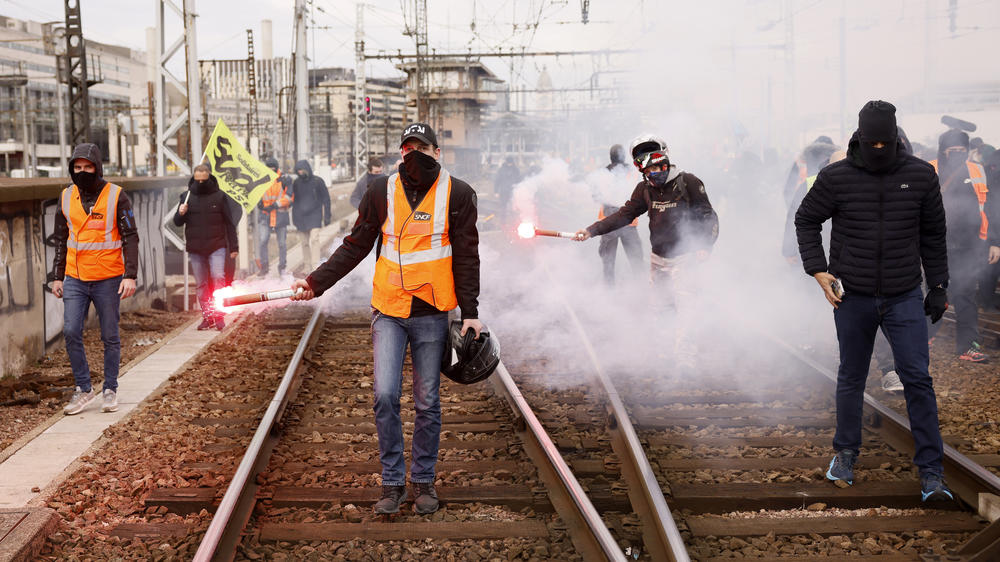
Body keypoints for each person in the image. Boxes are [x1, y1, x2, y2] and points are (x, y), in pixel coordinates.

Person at [289, 123, 482, 516]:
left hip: (431, 311)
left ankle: (423, 482)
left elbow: (466, 256)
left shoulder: (458, 193)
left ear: (437, 152)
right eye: (408, 148)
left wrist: (471, 313)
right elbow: (356, 244)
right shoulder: (381, 190)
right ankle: (393, 483)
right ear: (400, 154)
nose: (414, 155)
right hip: (389, 310)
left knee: (428, 402)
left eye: (422, 148)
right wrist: (316, 282)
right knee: (385, 395)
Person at [795, 100, 953, 501]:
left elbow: (934, 233)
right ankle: (845, 454)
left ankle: (932, 474)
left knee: (917, 379)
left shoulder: (921, 176)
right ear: (860, 138)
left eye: (885, 142)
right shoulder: (835, 177)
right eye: (872, 143)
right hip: (853, 296)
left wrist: (938, 286)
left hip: (904, 296)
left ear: (895, 137)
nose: (878, 150)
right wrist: (817, 271)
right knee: (851, 375)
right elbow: (806, 219)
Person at [574, 135, 718, 369]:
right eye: (648, 171)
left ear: (666, 162)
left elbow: (708, 216)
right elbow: (624, 215)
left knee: (687, 308)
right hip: (658, 259)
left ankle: (685, 360)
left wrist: (705, 245)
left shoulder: (689, 182)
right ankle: (663, 355)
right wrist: (591, 230)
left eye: (657, 168)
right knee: (660, 307)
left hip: (686, 257)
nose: (654, 174)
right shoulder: (644, 189)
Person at [51, 143, 139, 415]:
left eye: (88, 167)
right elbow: (60, 240)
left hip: (108, 278)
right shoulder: (66, 197)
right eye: (77, 168)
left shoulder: (116, 196)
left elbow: (130, 236)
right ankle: (84, 389)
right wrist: (57, 277)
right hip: (75, 278)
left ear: (98, 167)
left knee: (110, 335)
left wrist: (131, 275)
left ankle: (110, 388)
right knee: (70, 331)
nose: (82, 172)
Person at [926, 128, 1000, 362]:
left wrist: (993, 242)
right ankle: (924, 337)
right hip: (937, 244)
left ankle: (967, 347)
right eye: (952, 151)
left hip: (970, 244)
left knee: (966, 295)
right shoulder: (929, 169)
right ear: (943, 150)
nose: (957, 154)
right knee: (935, 293)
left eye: (961, 150)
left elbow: (986, 207)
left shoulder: (977, 170)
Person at [174, 164, 240, 330]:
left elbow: (229, 223)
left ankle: (218, 315)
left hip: (217, 245)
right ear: (194, 178)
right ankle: (207, 316)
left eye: (204, 179)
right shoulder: (186, 197)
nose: (201, 182)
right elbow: (177, 222)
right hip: (196, 248)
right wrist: (180, 212)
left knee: (218, 277)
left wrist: (234, 247)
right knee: (202, 284)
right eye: (198, 179)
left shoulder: (219, 197)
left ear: (209, 177)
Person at [596, 144, 644, 286]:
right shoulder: (632, 172)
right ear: (624, 156)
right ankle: (641, 288)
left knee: (608, 261)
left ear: (610, 157)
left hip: (608, 223)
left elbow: (596, 195)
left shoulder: (602, 173)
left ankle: (609, 290)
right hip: (628, 222)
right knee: (636, 259)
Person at [291, 160, 331, 270]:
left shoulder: (318, 181)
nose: (300, 172)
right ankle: (307, 266)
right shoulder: (297, 183)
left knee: (314, 239)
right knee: (304, 242)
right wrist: (294, 218)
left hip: (315, 215)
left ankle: (315, 265)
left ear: (307, 169)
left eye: (302, 170)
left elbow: (326, 199)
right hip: (301, 217)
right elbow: (295, 201)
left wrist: (327, 216)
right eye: (298, 170)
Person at [257, 157, 294, 276]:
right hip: (265, 215)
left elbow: (289, 198)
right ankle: (264, 267)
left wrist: (275, 205)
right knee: (263, 241)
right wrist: (259, 202)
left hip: (280, 215)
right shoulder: (261, 178)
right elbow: (255, 193)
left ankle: (282, 267)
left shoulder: (285, 179)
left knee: (282, 243)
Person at [494, 156, 522, 224]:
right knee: (503, 207)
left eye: (511, 163)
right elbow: (497, 180)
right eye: (509, 163)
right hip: (503, 191)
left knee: (514, 206)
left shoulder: (516, 170)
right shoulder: (501, 169)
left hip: (513, 191)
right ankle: (503, 221)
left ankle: (514, 221)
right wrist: (496, 191)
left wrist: (519, 190)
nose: (510, 164)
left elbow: (519, 180)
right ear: (506, 162)